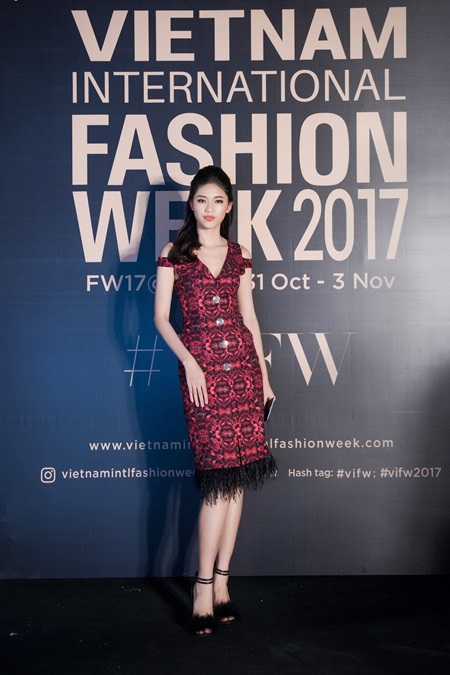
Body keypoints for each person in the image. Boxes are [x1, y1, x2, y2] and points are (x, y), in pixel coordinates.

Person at [154, 165, 277, 636]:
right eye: (202, 199)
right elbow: (161, 318)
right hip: (202, 375)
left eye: (218, 201)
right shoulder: (175, 254)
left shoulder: (240, 255)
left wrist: (265, 379)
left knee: (237, 480)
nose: (209, 208)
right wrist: (189, 361)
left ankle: (224, 582)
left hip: (243, 374)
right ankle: (202, 586)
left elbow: (250, 319)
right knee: (216, 483)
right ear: (192, 203)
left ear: (229, 207)